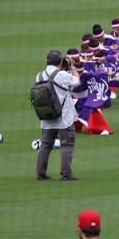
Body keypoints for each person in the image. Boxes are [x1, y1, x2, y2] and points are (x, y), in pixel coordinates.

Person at [35, 50, 80, 181]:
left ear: (46, 61)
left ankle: (41, 173)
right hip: (64, 116)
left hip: (47, 115)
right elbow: (76, 81)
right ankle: (66, 174)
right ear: (61, 62)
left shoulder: (39, 76)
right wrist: (72, 67)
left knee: (45, 145)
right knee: (67, 144)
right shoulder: (62, 75)